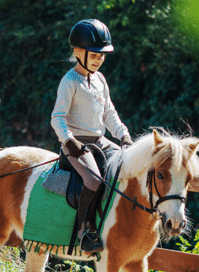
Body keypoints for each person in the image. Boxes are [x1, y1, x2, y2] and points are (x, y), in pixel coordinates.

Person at [51, 19, 134, 253]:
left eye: (102, 56)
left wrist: (124, 135)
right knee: (93, 180)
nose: (99, 59)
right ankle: (85, 229)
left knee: (127, 166)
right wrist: (68, 140)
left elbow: (109, 113)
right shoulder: (70, 82)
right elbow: (57, 118)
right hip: (75, 143)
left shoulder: (100, 80)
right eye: (95, 55)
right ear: (78, 52)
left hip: (99, 141)